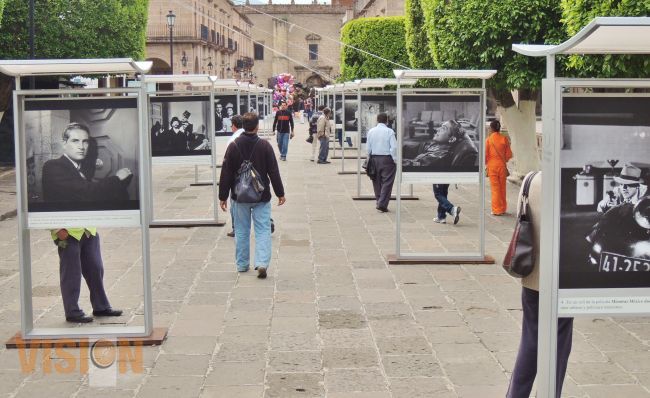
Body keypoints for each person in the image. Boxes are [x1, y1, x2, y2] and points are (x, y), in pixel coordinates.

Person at [507, 171, 574, 398]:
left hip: (533, 274)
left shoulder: (530, 179)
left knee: (530, 339)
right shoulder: (569, 182)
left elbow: (520, 217)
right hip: (564, 277)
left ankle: (516, 394)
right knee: (560, 344)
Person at [218, 113, 286, 278]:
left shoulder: (233, 145)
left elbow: (226, 172)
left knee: (241, 229)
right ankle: (262, 263)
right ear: (257, 127)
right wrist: (280, 193)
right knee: (263, 229)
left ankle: (242, 264)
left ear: (242, 126)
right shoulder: (265, 146)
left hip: (239, 195)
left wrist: (223, 196)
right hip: (261, 195)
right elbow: (273, 171)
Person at [42, 123, 133, 203]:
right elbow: (88, 193)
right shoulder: (52, 166)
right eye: (75, 141)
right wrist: (117, 178)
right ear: (64, 144)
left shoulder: (83, 168)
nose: (81, 147)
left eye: (85, 142)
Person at [366, 113, 397, 213]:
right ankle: (382, 204)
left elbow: (368, 147)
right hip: (387, 159)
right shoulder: (390, 131)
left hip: (374, 158)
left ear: (377, 120)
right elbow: (394, 147)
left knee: (376, 181)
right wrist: (395, 159)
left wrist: (369, 157)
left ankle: (379, 201)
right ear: (387, 121)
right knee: (387, 182)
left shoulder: (371, 131)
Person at [485, 119, 513, 215]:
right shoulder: (504, 139)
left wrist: (487, 163)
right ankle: (503, 208)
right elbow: (509, 155)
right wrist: (503, 160)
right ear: (499, 128)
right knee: (502, 188)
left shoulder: (488, 140)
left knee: (495, 188)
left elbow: (485, 155)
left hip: (492, 166)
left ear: (491, 129)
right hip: (502, 166)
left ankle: (497, 209)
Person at [226, 115, 245, 238]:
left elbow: (227, 164)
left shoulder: (232, 140)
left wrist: (223, 192)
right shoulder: (251, 135)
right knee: (256, 200)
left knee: (235, 203)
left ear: (234, 125)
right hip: (252, 174)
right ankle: (268, 220)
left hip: (237, 176)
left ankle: (235, 227)